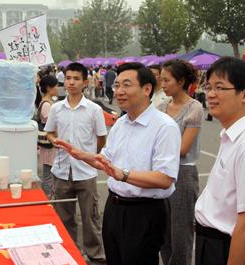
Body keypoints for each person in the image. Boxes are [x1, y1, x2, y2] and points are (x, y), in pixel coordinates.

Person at [55, 62, 181, 265]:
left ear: (147, 89)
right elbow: (107, 160)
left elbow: (165, 178)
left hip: (145, 212)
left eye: (127, 85)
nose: (119, 91)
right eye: (117, 85)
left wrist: (123, 174)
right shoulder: (121, 123)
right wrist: (80, 154)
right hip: (114, 208)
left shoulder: (165, 127)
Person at [195, 57, 245, 265]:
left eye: (220, 88)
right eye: (209, 87)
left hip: (227, 248)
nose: (211, 95)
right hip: (213, 243)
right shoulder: (233, 135)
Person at [44, 62, 107, 262]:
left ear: (85, 83)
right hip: (61, 170)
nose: (71, 82)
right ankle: (70, 253)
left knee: (90, 217)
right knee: (64, 217)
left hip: (86, 172)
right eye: (68, 78)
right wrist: (56, 141)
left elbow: (101, 138)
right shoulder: (56, 108)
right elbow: (50, 132)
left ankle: (95, 256)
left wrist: (90, 156)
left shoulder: (94, 109)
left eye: (76, 79)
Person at [158, 59, 203, 265]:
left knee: (181, 232)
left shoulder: (194, 108)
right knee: (163, 230)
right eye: (161, 80)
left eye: (167, 80)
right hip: (160, 172)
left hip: (182, 173)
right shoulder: (160, 106)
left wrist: (157, 151)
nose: (163, 84)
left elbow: (183, 149)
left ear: (182, 81)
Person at [36, 75, 58, 197]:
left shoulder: (47, 103)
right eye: (55, 86)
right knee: (48, 175)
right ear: (49, 88)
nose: (57, 88)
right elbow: (52, 124)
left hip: (49, 144)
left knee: (49, 173)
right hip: (49, 144)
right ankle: (47, 199)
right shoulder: (47, 105)